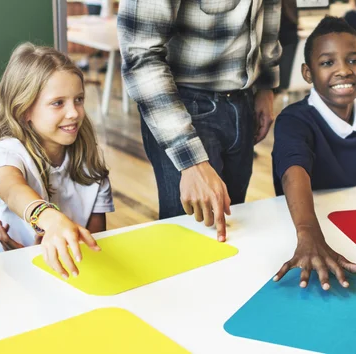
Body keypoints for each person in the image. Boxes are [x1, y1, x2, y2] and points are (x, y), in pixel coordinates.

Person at [118, 0, 282, 241]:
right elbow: (140, 56)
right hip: (183, 108)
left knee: (233, 234)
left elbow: (270, 12)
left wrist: (266, 86)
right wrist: (191, 162)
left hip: (244, 101)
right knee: (190, 242)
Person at [0, 43, 115, 279]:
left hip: (72, 274)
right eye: (58, 103)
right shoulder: (4, 153)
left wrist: (55, 252)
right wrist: (50, 219)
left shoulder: (89, 163)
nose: (74, 113)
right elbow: (12, 189)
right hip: (7, 279)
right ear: (24, 110)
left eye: (79, 99)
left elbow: (94, 243)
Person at [272, 16, 356, 289]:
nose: (344, 70)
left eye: (354, 60)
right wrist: (309, 233)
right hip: (309, 230)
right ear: (307, 73)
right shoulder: (294, 120)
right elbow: (293, 170)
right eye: (327, 62)